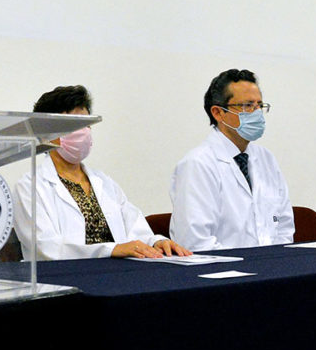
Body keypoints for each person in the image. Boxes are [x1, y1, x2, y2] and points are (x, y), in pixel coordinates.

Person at [13, 85, 190, 261]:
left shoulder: (103, 182)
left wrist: (156, 242)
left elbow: (136, 228)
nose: (81, 132)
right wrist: (112, 249)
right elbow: (47, 248)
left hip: (119, 274)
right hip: (65, 280)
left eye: (85, 124)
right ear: (45, 133)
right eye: (71, 125)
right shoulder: (29, 187)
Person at [170, 69, 294, 252]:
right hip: (223, 272)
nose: (257, 113)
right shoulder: (197, 164)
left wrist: (275, 260)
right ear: (218, 113)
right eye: (247, 106)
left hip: (271, 267)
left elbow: (284, 225)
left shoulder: (266, 159)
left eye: (260, 105)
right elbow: (194, 242)